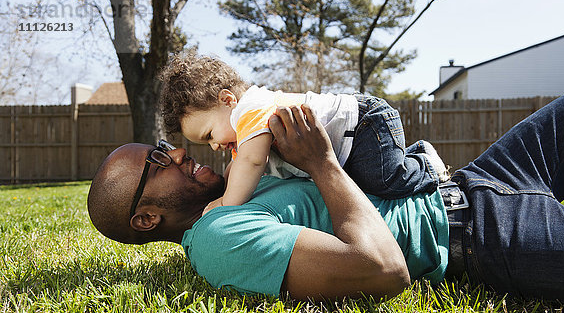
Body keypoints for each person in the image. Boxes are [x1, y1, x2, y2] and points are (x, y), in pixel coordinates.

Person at [87, 78, 564, 307]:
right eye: (157, 162)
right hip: (482, 234)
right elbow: (382, 269)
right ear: (146, 218)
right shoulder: (219, 238)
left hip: (481, 176)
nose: (176, 153)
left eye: (164, 146)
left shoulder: (238, 188)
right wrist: (321, 162)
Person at [158, 52, 448, 208]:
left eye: (209, 135)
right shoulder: (243, 132)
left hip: (364, 125)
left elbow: (252, 162)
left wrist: (226, 202)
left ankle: (426, 163)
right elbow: (238, 167)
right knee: (365, 188)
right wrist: (223, 184)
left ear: (227, 100)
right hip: (351, 141)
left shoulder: (249, 109)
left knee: (387, 182)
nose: (213, 146)